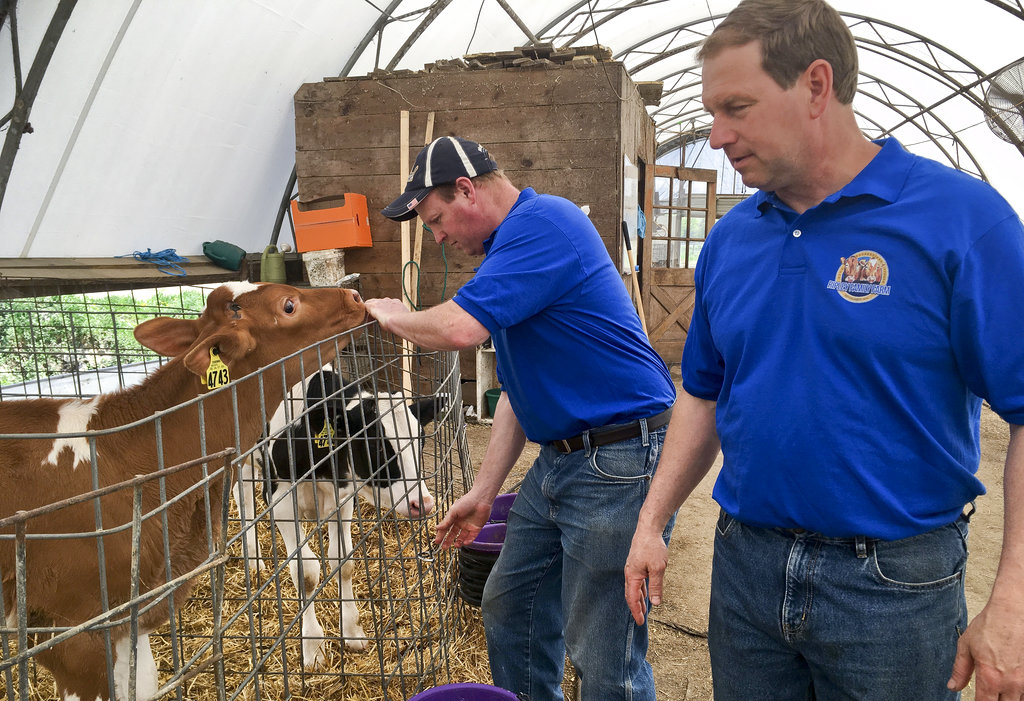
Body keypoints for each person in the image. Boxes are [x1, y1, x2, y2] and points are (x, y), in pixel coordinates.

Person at [622, 1, 1024, 700]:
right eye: (712, 112)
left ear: (815, 85)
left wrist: (1014, 600)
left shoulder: (963, 220)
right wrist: (652, 520)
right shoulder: (733, 237)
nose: (716, 136)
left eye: (736, 107)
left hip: (893, 588)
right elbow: (704, 389)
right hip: (747, 567)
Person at [363, 135, 677, 701]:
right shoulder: (509, 249)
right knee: (512, 602)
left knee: (603, 647)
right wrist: (485, 492)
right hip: (563, 460)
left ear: (466, 190)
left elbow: (459, 330)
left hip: (620, 456)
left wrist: (396, 317)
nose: (437, 238)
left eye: (436, 220)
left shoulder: (544, 225)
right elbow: (515, 392)